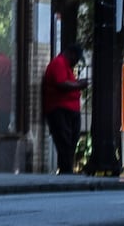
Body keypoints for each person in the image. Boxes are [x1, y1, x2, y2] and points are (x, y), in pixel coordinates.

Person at [42, 39, 85, 172]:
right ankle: (66, 169)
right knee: (64, 141)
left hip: (68, 110)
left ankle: (67, 168)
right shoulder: (59, 63)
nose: (77, 62)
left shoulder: (66, 67)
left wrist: (77, 83)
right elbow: (61, 84)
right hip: (59, 109)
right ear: (71, 54)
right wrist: (79, 85)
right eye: (76, 59)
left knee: (71, 141)